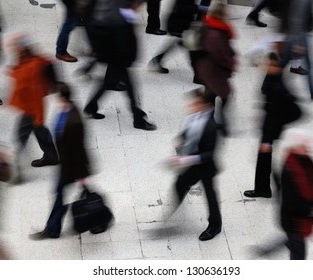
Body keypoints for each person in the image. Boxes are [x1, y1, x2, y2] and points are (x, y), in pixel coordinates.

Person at [30, 83, 91, 239]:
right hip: (67, 165)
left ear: (63, 97)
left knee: (59, 196)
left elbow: (78, 148)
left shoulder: (74, 120)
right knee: (62, 196)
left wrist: (80, 173)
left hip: (70, 168)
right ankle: (54, 229)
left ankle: (52, 230)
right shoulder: (67, 109)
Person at [83, 0, 157, 130]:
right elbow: (124, 39)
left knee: (108, 83)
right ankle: (138, 119)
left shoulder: (116, 9)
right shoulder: (121, 16)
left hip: (113, 56)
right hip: (118, 58)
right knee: (130, 88)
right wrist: (129, 58)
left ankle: (90, 107)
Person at [257, 129, 313, 260]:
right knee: (299, 254)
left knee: (293, 241)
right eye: (302, 146)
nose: (306, 148)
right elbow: (291, 199)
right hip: (294, 219)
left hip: (299, 217)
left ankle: (269, 249)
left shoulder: (306, 160)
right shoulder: (290, 170)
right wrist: (310, 210)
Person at [244, 53, 302, 198]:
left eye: (270, 65)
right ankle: (267, 187)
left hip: (271, 128)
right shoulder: (273, 77)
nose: (266, 66)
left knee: (264, 159)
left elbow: (275, 115)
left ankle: (267, 188)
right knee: (265, 159)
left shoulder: (277, 88)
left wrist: (267, 140)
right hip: (269, 124)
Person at [169, 89, 222, 241]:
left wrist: (186, 160)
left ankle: (215, 226)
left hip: (204, 166)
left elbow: (209, 155)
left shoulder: (211, 127)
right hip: (192, 162)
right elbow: (188, 131)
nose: (192, 105)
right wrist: (180, 139)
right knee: (180, 184)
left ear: (206, 105)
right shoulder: (195, 116)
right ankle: (174, 210)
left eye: (196, 103)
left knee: (210, 196)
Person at [7, 33, 59, 169]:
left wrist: (38, 116)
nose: (14, 49)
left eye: (16, 47)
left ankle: (16, 165)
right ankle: (51, 156)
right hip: (32, 107)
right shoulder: (32, 60)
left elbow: (29, 87)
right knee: (40, 131)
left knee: (21, 135)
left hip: (31, 108)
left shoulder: (32, 67)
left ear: (23, 48)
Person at [197, 3, 237, 136]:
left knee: (212, 96)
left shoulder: (215, 27)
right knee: (224, 97)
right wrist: (231, 63)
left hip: (210, 70)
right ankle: (218, 125)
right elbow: (219, 54)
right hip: (214, 71)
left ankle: (211, 123)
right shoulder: (215, 33)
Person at [279, 0, 313, 102]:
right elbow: (296, 17)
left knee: (282, 61)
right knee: (309, 65)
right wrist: (298, 41)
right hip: (298, 35)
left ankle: (267, 84)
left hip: (294, 33)